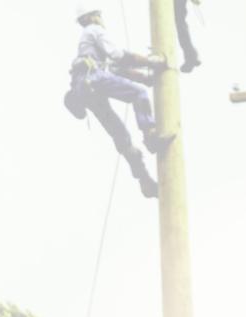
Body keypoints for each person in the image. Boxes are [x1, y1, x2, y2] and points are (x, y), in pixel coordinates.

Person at [65, 5, 174, 199]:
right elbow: (117, 55)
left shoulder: (88, 49)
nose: (101, 18)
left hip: (86, 89)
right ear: (92, 17)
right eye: (99, 15)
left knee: (121, 137)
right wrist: (152, 61)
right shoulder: (94, 31)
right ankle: (150, 136)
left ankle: (145, 181)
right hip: (93, 80)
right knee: (138, 94)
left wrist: (143, 77)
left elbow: (116, 69)